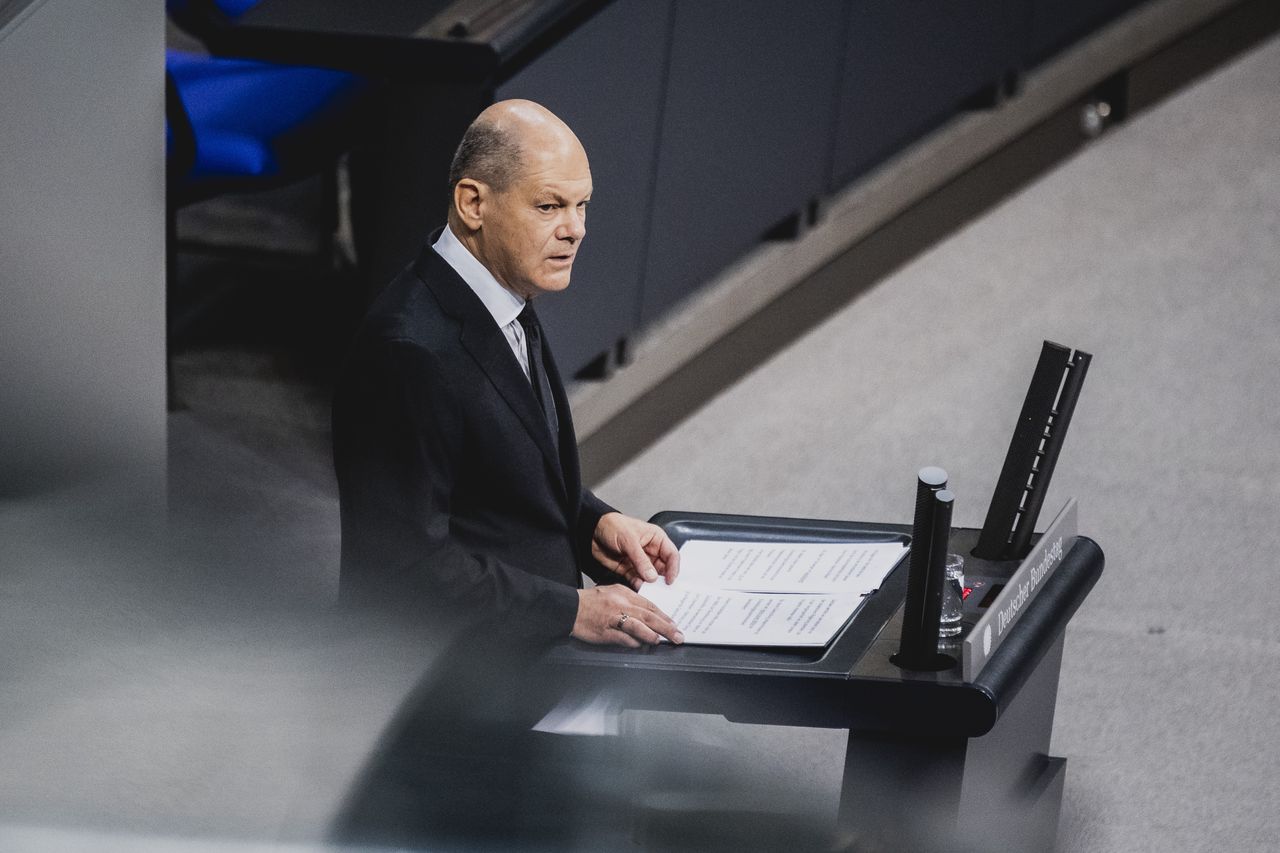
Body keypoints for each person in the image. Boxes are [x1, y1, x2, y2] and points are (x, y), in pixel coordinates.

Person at [332, 99, 684, 649]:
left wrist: (590, 523)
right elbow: (402, 571)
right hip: (447, 689)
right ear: (474, 203)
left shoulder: (500, 291)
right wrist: (571, 611)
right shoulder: (407, 353)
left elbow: (493, 478)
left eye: (582, 205)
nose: (575, 230)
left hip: (520, 656)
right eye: (549, 207)